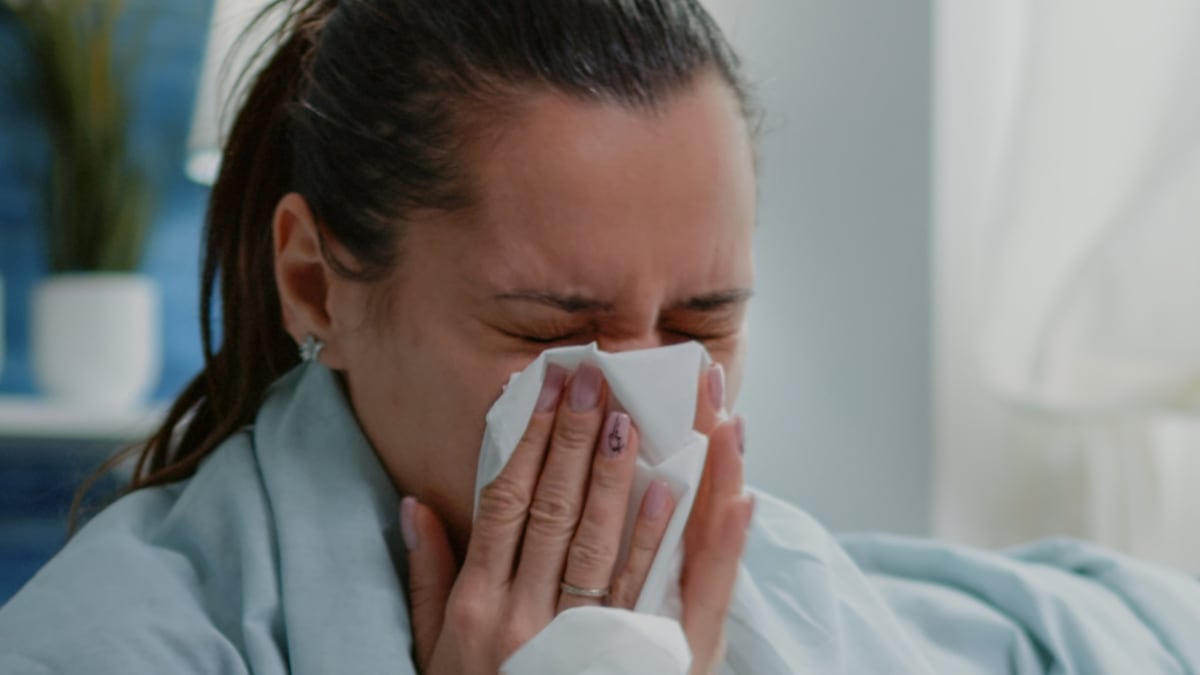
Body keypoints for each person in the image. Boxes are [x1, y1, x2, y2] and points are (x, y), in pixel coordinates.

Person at [2, 1, 1198, 673]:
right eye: (550, 330)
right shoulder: (111, 646)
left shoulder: (786, 589)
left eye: (701, 322)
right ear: (318, 286)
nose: (636, 415)